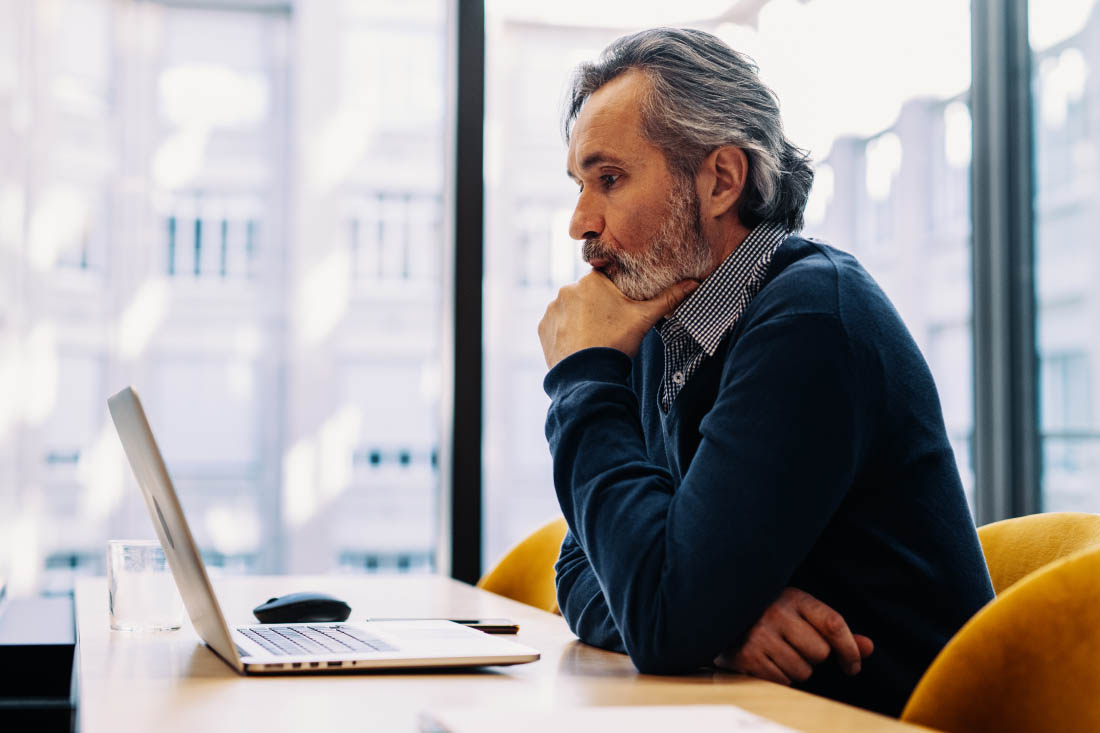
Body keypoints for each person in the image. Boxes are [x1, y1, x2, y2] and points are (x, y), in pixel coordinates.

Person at [538, 27, 994, 717]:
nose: (580, 222)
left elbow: (661, 614)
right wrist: (719, 628)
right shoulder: (666, 329)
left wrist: (581, 375)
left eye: (609, 179)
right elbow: (582, 569)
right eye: (580, 185)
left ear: (721, 179)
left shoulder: (811, 319)